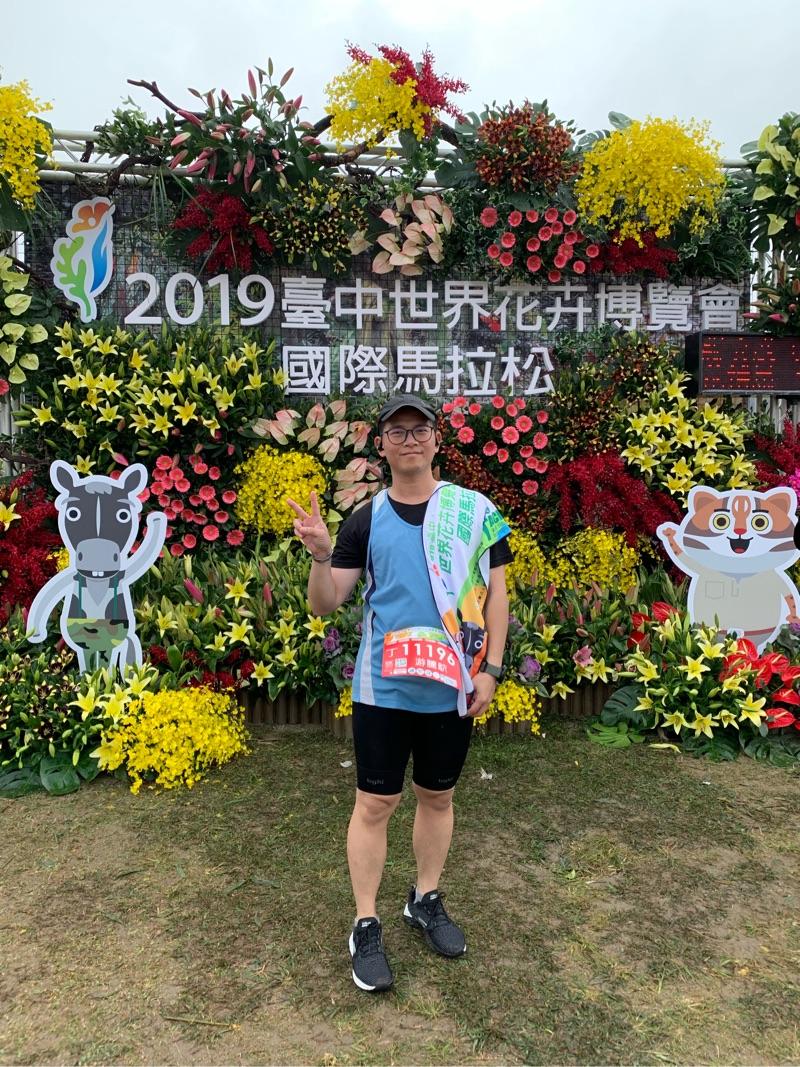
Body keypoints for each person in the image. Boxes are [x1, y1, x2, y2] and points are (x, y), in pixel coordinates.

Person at [287, 396, 512, 993]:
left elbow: (496, 594)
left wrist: (491, 669)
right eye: (396, 431)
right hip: (383, 687)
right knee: (375, 803)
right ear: (381, 446)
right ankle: (366, 923)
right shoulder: (365, 521)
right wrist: (320, 555)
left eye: (420, 429)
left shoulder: (475, 512)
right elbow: (326, 603)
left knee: (438, 796)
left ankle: (425, 899)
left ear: (437, 440)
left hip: (452, 685)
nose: (409, 439)